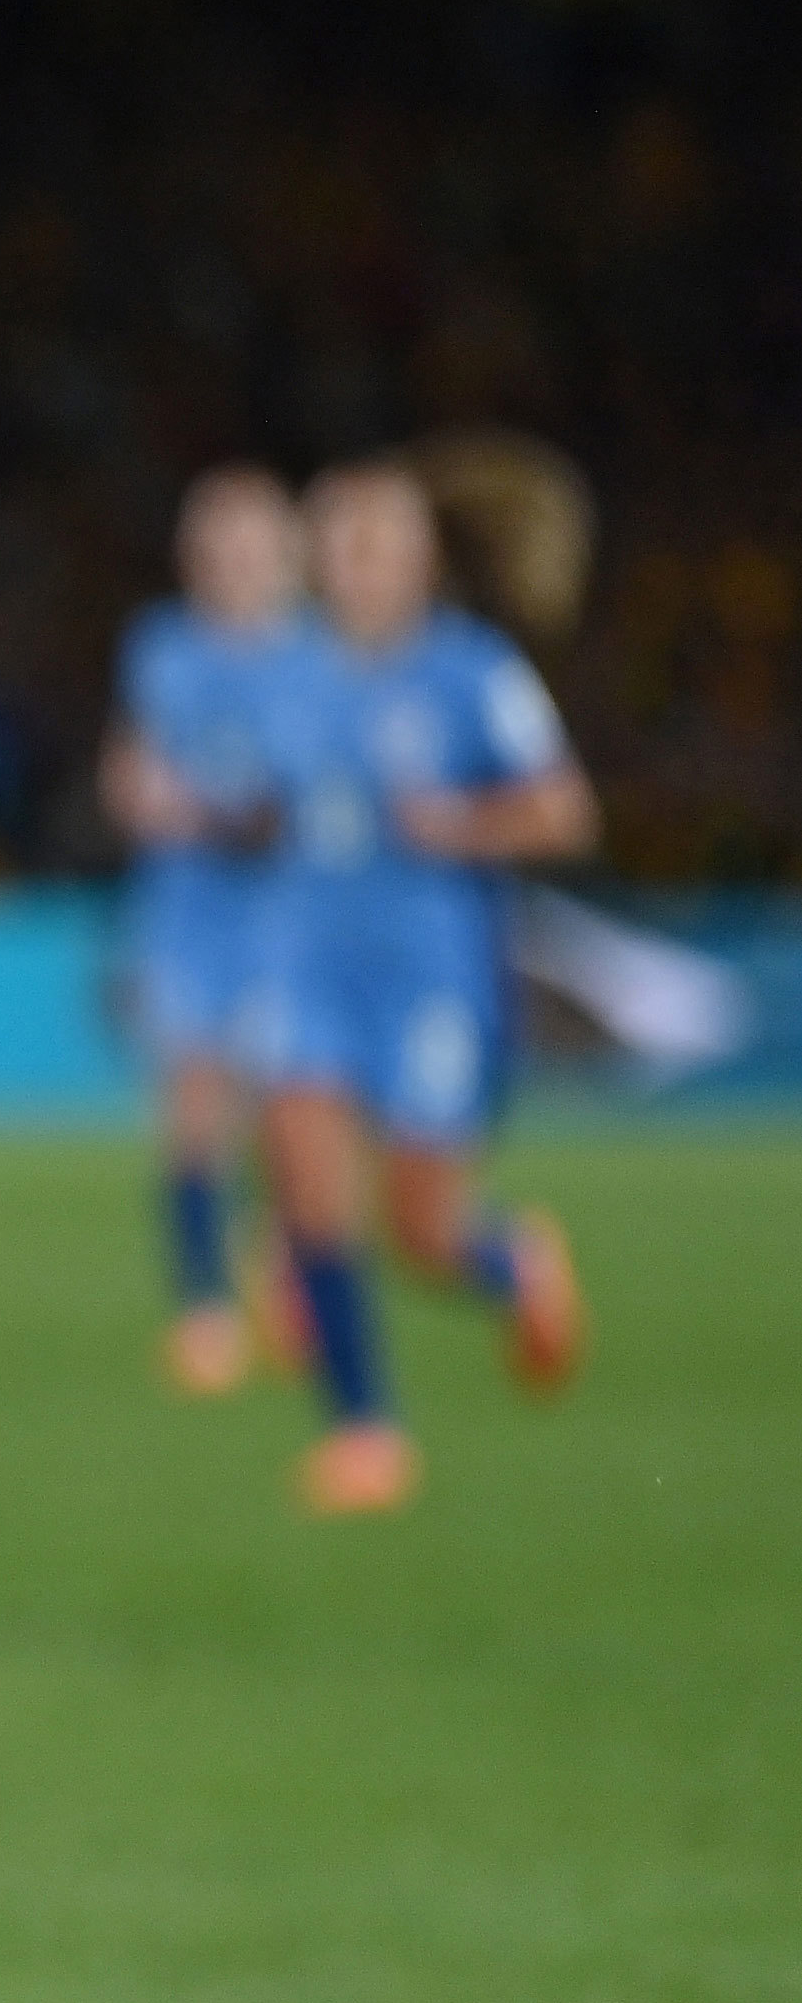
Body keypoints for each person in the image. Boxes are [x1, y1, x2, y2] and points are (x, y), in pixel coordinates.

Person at [243, 454, 595, 1513]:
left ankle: (512, 1260)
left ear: (418, 559)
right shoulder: (288, 674)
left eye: (372, 542)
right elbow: (274, 806)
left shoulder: (470, 673)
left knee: (419, 1231)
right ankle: (364, 1433)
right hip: (312, 967)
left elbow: (561, 811)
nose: (350, 564)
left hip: (432, 979)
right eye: (336, 543)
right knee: (306, 1180)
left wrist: (456, 826)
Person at [99, 466, 311, 1397]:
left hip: (287, 921)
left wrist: (215, 813)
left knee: (285, 1119)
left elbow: (304, 804)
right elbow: (130, 764)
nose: (230, 563)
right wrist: (138, 795)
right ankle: (204, 1311)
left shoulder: (315, 657)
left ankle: (281, 1267)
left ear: (285, 556)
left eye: (248, 546)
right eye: (215, 546)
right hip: (187, 915)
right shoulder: (163, 648)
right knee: (190, 1114)